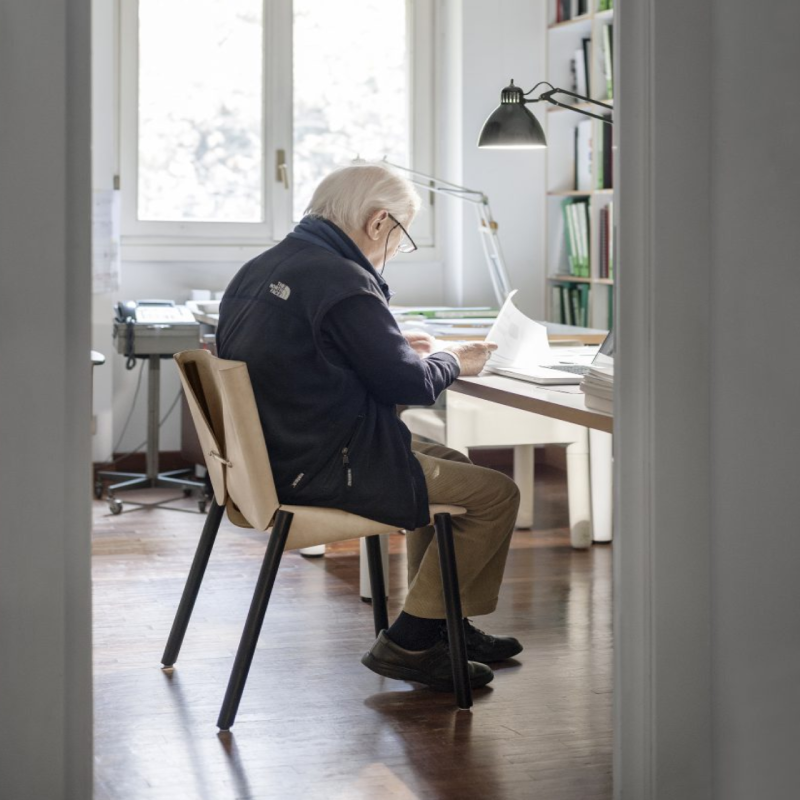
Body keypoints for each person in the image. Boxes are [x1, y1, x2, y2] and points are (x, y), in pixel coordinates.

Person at [216, 162, 522, 692]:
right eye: (402, 238)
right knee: (495, 494)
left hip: (275, 457)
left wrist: (401, 352)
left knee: (455, 465)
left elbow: (334, 359)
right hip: (325, 468)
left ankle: (444, 621)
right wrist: (454, 359)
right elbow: (409, 387)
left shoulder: (266, 265)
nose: (394, 250)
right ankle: (411, 640)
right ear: (379, 223)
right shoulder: (343, 279)